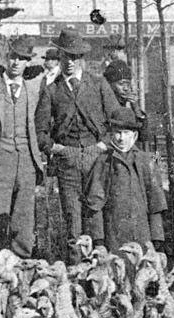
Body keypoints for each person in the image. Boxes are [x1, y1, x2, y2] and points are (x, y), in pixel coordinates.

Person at [36, 27, 122, 263]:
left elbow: (118, 118)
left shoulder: (98, 84)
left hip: (97, 157)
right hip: (68, 159)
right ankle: (75, 274)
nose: (70, 63)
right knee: (72, 218)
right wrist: (57, 149)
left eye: (74, 57)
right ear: (59, 59)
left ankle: (99, 269)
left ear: (82, 58)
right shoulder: (52, 90)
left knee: (96, 215)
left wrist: (104, 145)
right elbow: (40, 131)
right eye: (65, 57)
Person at [0, 36, 46, 259]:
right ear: (7, 58)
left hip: (26, 162)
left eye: (22, 59)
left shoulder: (32, 91)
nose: (16, 63)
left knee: (23, 221)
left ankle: (21, 269)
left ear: (27, 63)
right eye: (13, 57)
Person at [84, 106, 167, 252]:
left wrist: (157, 240)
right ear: (111, 134)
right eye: (117, 133)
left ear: (134, 135)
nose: (121, 138)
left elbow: (156, 204)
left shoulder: (145, 161)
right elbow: (94, 205)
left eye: (126, 133)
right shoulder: (103, 162)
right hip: (114, 235)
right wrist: (98, 241)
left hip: (141, 235)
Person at [103, 57, 147, 137]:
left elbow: (143, 137)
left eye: (128, 84)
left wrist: (136, 108)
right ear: (110, 84)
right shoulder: (103, 106)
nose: (126, 88)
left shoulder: (128, 107)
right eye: (121, 84)